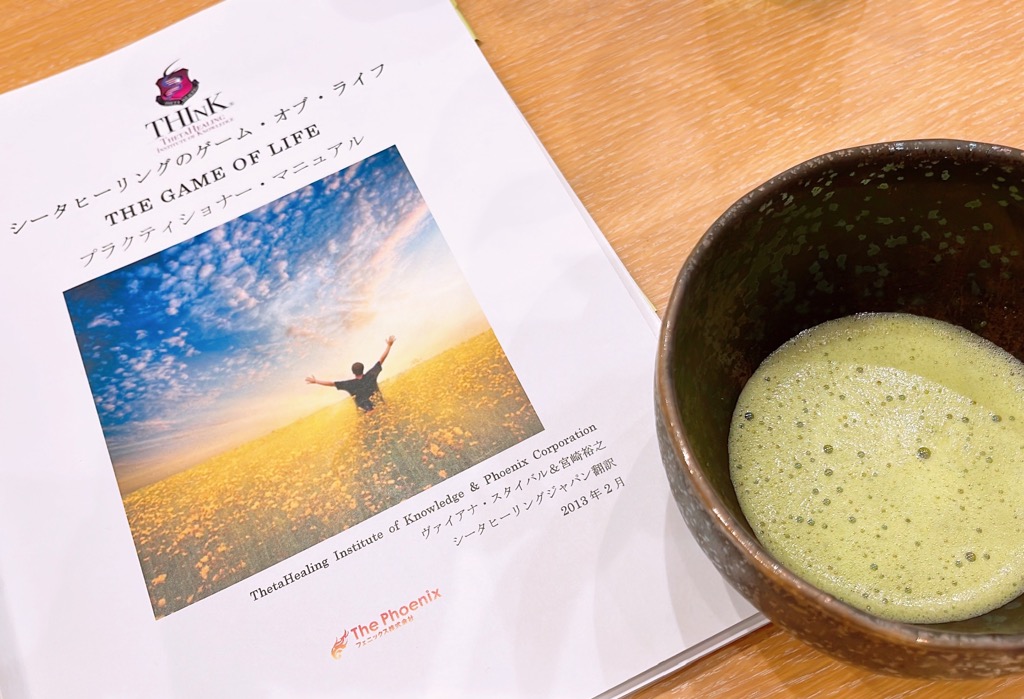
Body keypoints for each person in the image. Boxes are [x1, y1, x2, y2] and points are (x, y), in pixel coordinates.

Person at [306, 336, 396, 412]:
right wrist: (389, 346)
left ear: (353, 372)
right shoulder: (371, 375)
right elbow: (381, 360)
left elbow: (331, 383)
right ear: (363, 369)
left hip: (366, 413)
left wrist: (316, 381)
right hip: (380, 407)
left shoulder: (349, 384)